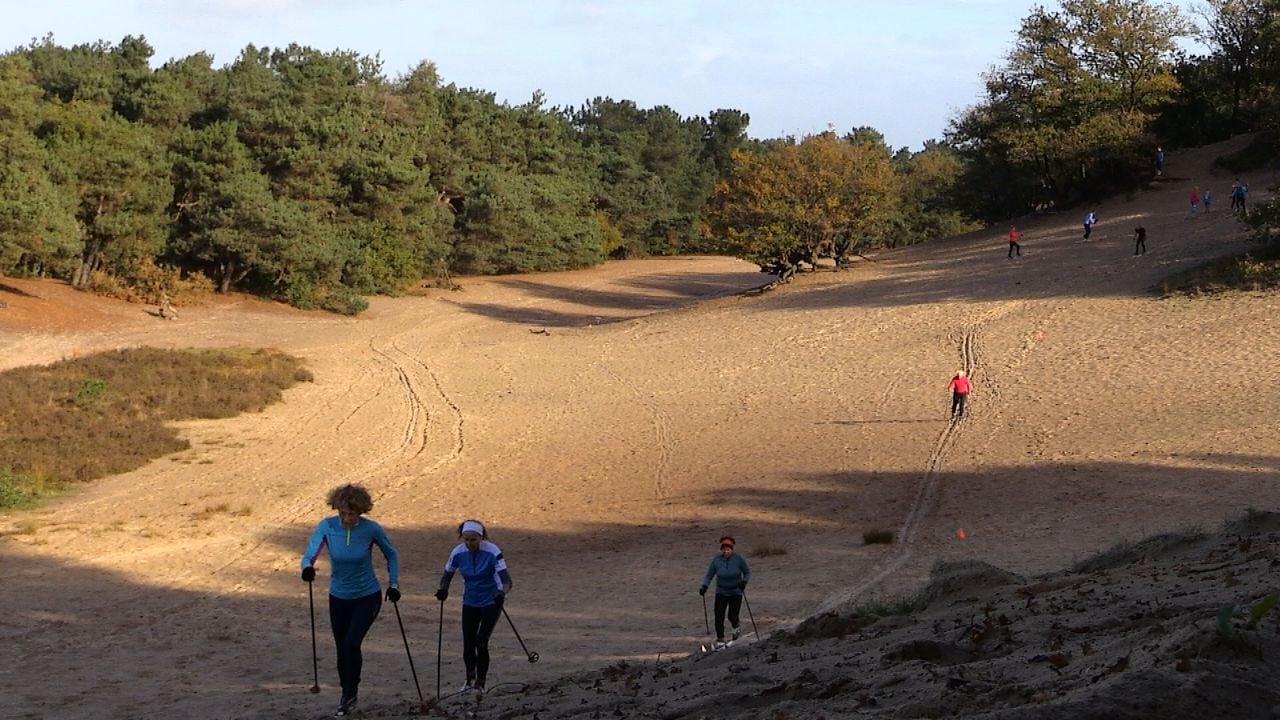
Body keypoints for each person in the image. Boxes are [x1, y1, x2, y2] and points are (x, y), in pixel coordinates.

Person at [301, 484, 401, 718]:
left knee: (351, 644)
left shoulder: (371, 530)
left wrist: (394, 584)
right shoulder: (327, 526)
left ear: (361, 512)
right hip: (338, 597)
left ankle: (350, 694)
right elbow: (310, 553)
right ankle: (346, 696)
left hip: (367, 596)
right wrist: (307, 568)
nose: (346, 518)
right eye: (342, 513)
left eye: (351, 514)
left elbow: (392, 554)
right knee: (341, 649)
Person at [436, 520, 512, 694]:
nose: (469, 544)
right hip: (470, 601)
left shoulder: (493, 551)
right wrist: (443, 590)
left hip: (491, 600)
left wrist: (502, 593)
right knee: (468, 643)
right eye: (466, 540)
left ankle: (481, 682)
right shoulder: (457, 553)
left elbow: (507, 580)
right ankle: (469, 679)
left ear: (481, 537)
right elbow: (446, 576)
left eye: (473, 540)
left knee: (481, 641)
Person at [699, 536, 751, 649]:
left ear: (732, 549)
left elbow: (747, 573)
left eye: (728, 549)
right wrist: (704, 586)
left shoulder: (739, 559)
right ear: (721, 550)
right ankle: (720, 639)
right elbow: (709, 575)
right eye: (724, 549)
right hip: (721, 591)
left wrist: (744, 582)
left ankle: (735, 626)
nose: (726, 551)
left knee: (732, 615)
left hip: (736, 591)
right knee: (719, 615)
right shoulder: (716, 560)